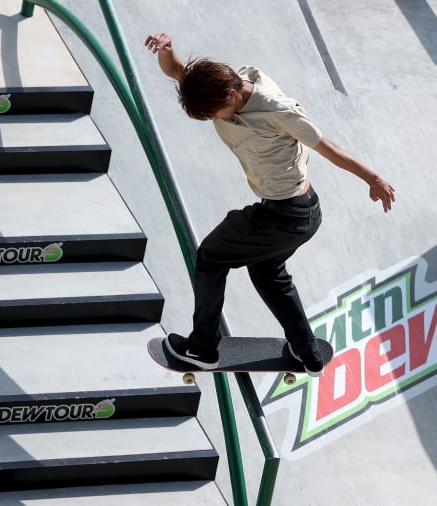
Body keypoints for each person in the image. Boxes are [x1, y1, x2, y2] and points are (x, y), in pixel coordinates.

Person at [145, 33, 395, 376]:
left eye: (213, 114)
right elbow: (175, 70)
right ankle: (307, 353)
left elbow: (330, 148)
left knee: (210, 257)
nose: (212, 119)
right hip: (303, 213)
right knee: (267, 272)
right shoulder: (213, 84)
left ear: (231, 95)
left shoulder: (278, 112)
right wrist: (167, 50)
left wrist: (373, 178)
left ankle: (202, 348)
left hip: (282, 215)